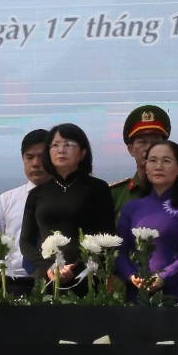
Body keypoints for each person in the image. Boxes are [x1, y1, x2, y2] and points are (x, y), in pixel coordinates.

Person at [21, 123, 117, 289]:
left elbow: (106, 236)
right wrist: (48, 268)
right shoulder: (37, 194)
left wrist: (76, 268)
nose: (61, 150)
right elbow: (26, 242)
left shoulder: (97, 189)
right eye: (55, 145)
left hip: (86, 276)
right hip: (48, 278)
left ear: (83, 153)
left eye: (69, 145)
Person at [116, 140, 178, 299]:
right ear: (146, 167)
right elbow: (119, 252)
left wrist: (163, 278)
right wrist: (131, 276)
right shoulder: (132, 207)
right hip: (138, 293)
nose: (158, 166)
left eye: (166, 161)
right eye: (152, 160)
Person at [0, 130, 50, 291]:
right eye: (29, 157)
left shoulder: (65, 200)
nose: (36, 163)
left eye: (42, 157)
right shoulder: (6, 200)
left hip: (54, 282)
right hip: (13, 283)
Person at [110, 105, 178, 214]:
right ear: (131, 150)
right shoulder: (115, 194)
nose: (149, 148)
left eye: (155, 142)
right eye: (142, 142)